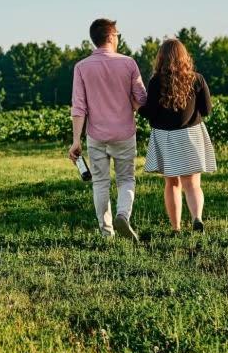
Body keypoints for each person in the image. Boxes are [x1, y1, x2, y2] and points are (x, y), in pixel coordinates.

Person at [70, 18, 147, 242]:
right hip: (124, 133)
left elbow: (79, 106)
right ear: (112, 37)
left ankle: (107, 233)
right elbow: (142, 98)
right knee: (126, 179)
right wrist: (129, 105)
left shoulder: (81, 67)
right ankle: (123, 214)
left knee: (101, 182)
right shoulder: (129, 63)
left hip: (96, 135)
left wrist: (76, 140)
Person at [138, 39, 216, 233]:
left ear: (161, 58)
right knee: (192, 184)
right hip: (192, 135)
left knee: (172, 184)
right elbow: (207, 110)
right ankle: (197, 217)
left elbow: (150, 112)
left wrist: (137, 107)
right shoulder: (197, 78)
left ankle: (176, 227)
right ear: (184, 56)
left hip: (166, 137)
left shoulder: (156, 81)